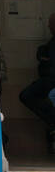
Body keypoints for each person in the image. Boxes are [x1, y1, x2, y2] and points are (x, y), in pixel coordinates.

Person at [18, 13, 55, 152]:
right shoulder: (51, 41)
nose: (48, 26)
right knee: (27, 95)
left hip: (51, 81)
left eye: (51, 24)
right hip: (48, 80)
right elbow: (44, 54)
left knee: (29, 95)